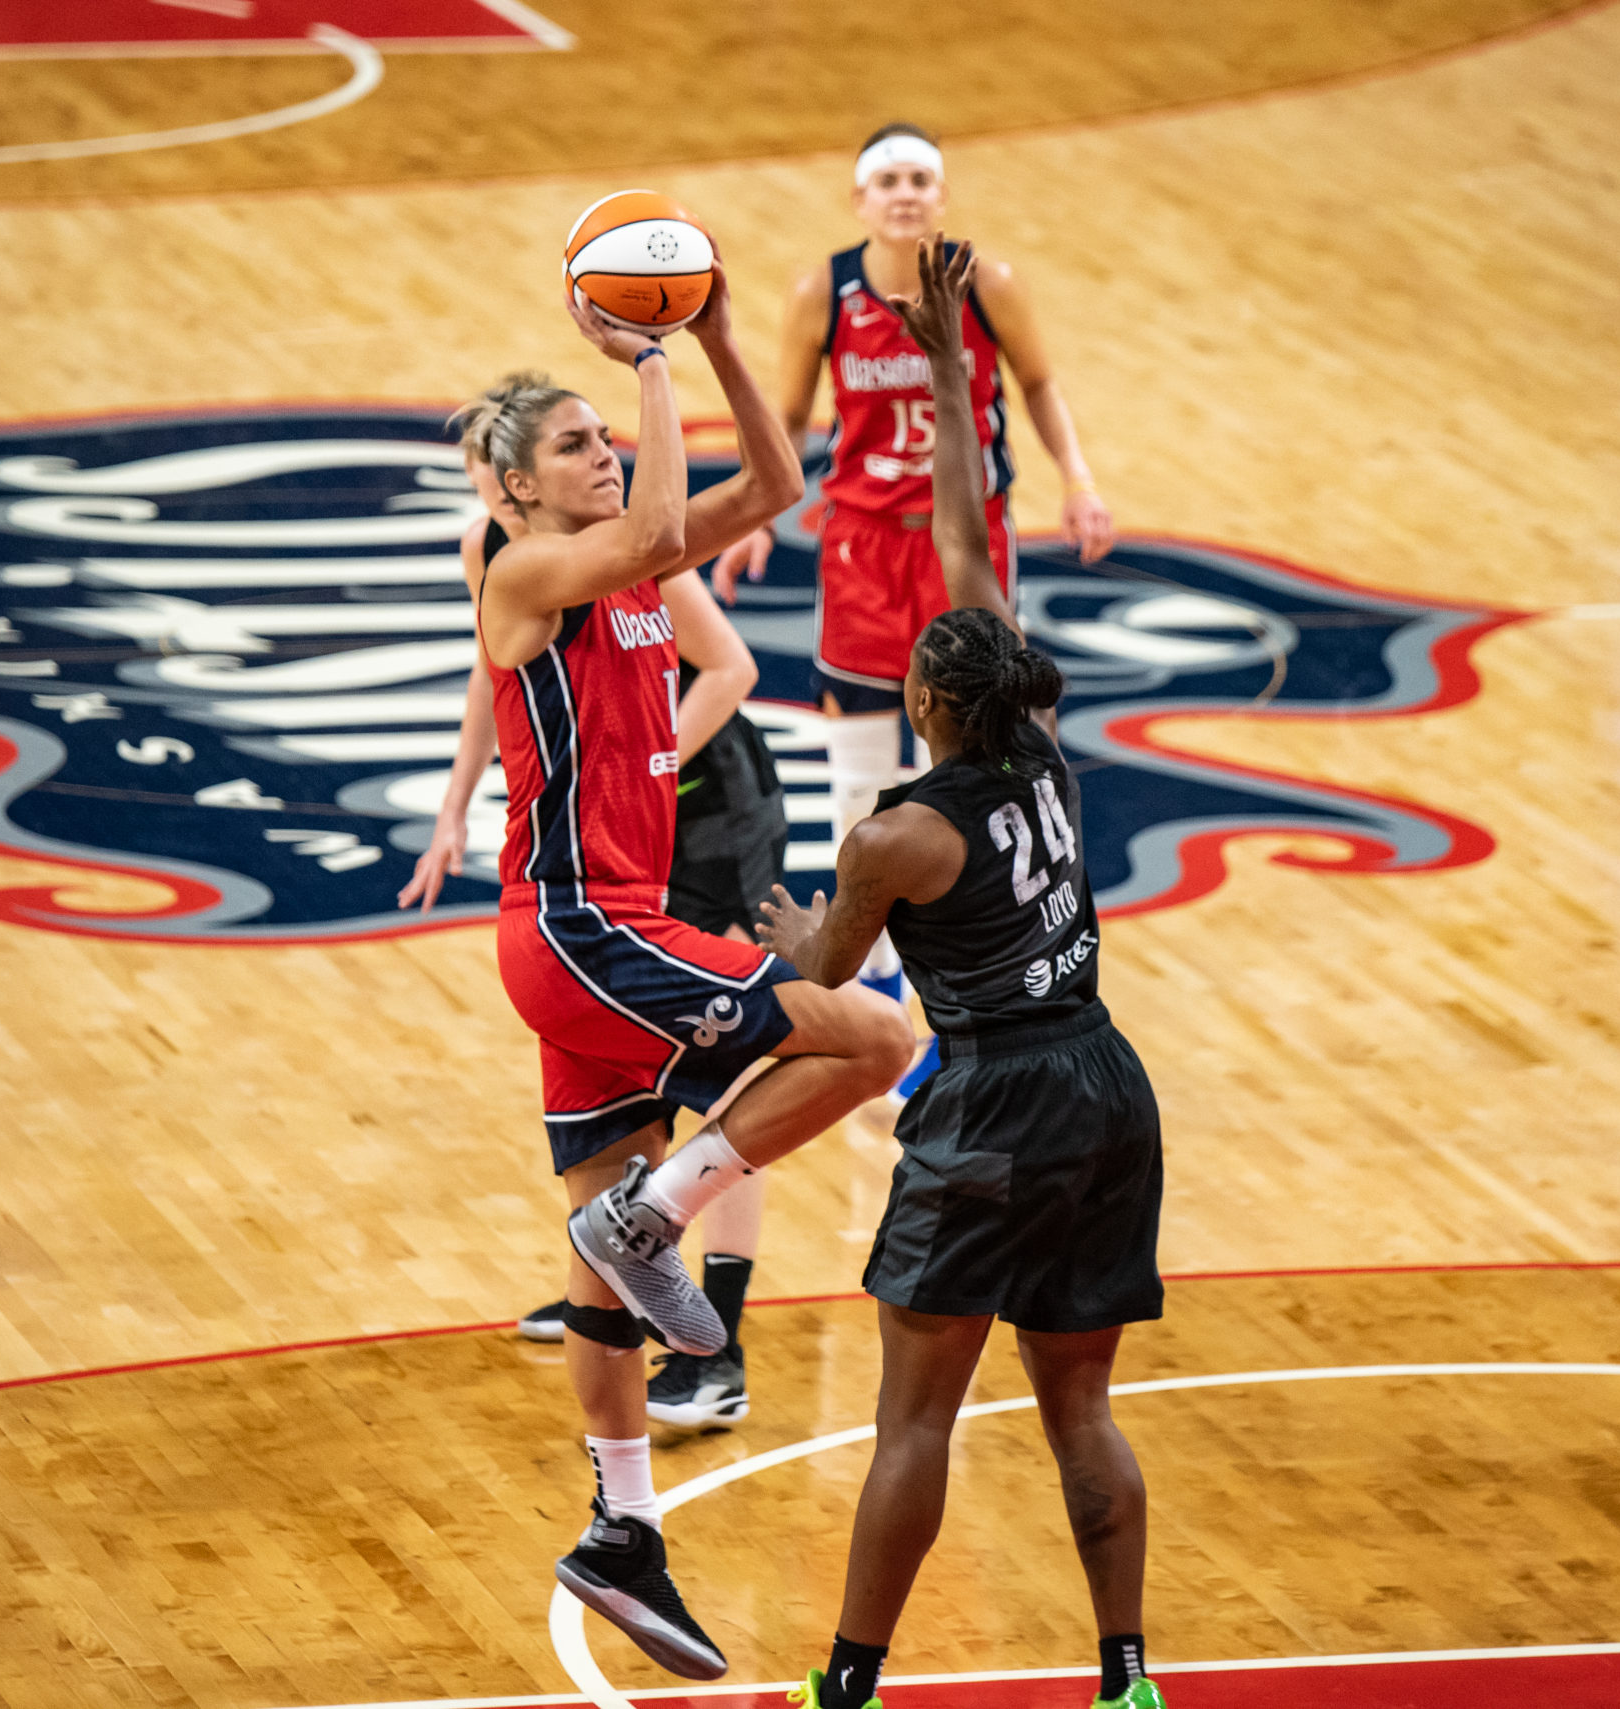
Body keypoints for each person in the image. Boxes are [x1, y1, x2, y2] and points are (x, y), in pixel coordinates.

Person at [457, 270, 914, 1678]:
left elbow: (780, 478)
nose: (604, 456)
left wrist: (713, 337)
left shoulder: (634, 563)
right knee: (877, 1040)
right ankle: (659, 1218)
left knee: (597, 1260)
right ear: (515, 494)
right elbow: (662, 519)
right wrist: (649, 367)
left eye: (607, 436)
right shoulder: (526, 571)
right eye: (575, 446)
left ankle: (624, 1531)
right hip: (586, 927)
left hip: (593, 939)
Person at [755, 238, 1166, 1709]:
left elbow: (830, 982)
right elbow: (970, 555)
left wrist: (772, 928)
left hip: (994, 1102)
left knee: (915, 1420)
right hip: (1109, 1083)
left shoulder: (898, 835)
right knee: (1081, 1412)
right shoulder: (1036, 742)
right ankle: (1126, 1678)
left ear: (925, 701)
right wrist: (946, 367)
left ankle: (850, 1685)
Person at [711, 121, 1116, 1090]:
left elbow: (1039, 381)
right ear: (860, 200)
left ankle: (944, 958)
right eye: (886, 178)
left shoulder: (990, 283)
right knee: (859, 778)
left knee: (984, 750)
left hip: (959, 533)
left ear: (940, 195)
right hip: (861, 543)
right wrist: (756, 508)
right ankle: (884, 991)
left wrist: (1077, 475)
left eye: (919, 178)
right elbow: (792, 412)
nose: (904, 192)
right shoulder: (825, 290)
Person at [401, 447, 782, 1434]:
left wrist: (645, 761)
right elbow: (501, 672)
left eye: (501, 472)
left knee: (734, 1074)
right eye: (483, 480)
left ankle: (721, 1353)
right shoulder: (493, 549)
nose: (492, 493)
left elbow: (729, 666)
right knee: (622, 1070)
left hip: (711, 812)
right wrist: (456, 804)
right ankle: (609, 1274)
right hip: (616, 833)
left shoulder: (634, 545)